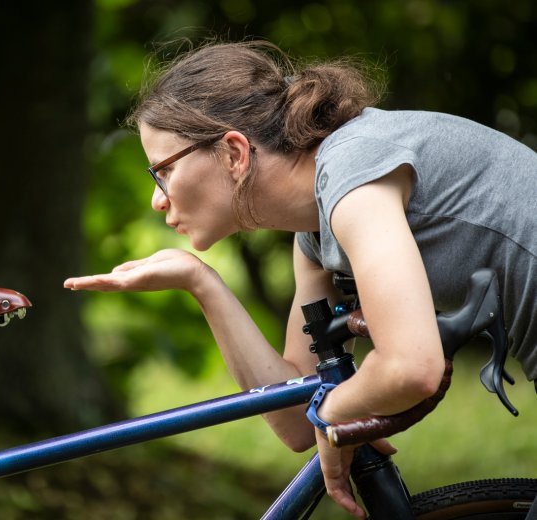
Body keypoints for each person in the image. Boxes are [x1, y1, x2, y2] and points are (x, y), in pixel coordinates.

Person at [63, 40, 537, 518]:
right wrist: (200, 282)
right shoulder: (314, 230)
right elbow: (294, 418)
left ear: (233, 152)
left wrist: (333, 414)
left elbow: (410, 367)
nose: (157, 200)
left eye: (163, 171)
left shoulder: (353, 176)